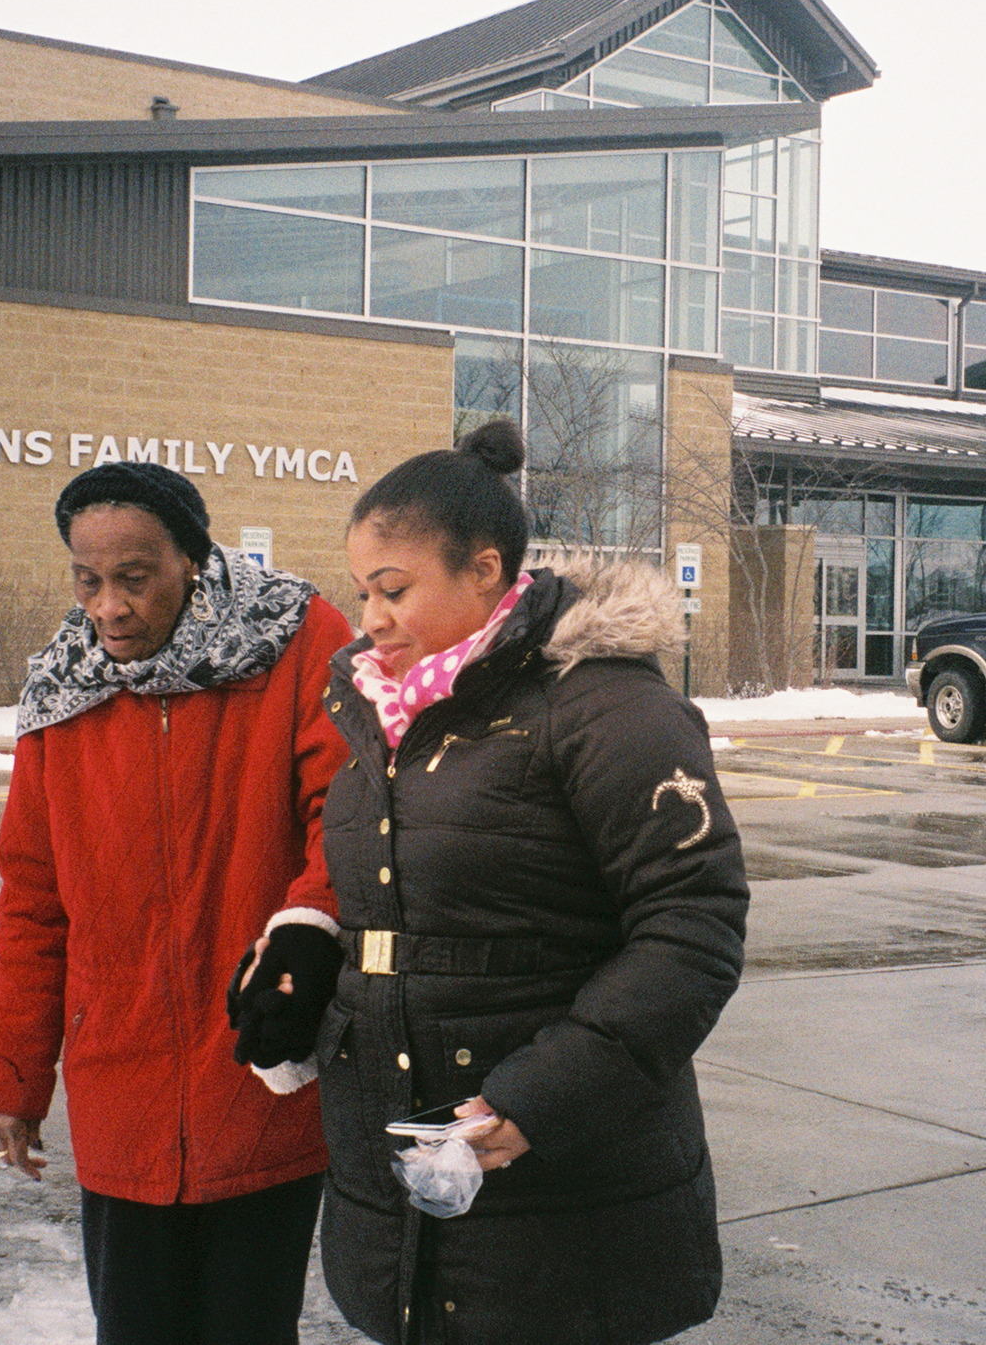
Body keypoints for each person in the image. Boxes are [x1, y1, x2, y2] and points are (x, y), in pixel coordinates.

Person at [272, 419, 749, 1345]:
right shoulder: (383, 710)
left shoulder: (604, 704)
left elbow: (691, 927)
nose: (368, 617)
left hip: (562, 1189)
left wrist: (542, 1098)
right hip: (402, 1176)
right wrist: (303, 964)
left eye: (394, 589)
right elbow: (389, 900)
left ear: (484, 571)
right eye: (363, 589)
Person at [0, 462, 354, 1345]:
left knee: (247, 1328)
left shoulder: (297, 641)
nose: (108, 606)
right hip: (121, 1085)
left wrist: (304, 934)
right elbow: (33, 899)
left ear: (191, 559)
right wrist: (17, 1071)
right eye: (87, 580)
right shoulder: (62, 691)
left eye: (133, 578)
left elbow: (345, 819)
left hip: (259, 1071)